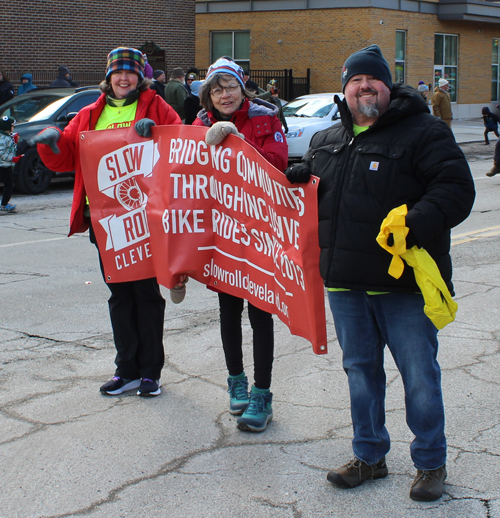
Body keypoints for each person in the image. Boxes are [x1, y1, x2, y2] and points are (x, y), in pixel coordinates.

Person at [285, 44, 475, 501]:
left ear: (387, 86)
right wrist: (294, 175)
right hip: (345, 282)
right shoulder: (326, 140)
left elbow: (455, 189)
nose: (363, 88)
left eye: (372, 80)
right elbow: (310, 184)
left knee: (419, 376)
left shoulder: (424, 132)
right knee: (360, 372)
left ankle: (430, 463)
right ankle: (369, 456)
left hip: (403, 284)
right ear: (345, 89)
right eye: (355, 81)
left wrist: (414, 220)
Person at [31, 47, 182, 397]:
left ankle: (150, 373)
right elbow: (66, 158)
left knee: (145, 294)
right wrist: (50, 145)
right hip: (104, 221)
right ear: (109, 77)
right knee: (119, 295)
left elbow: (179, 142)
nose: (124, 78)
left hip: (144, 219)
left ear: (139, 76)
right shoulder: (88, 114)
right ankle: (125, 369)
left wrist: (157, 132)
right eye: (118, 73)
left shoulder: (155, 106)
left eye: (130, 72)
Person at [192, 57, 288, 432]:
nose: (224, 95)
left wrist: (237, 141)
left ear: (242, 87)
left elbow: (277, 164)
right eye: (216, 89)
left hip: (258, 227)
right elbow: (185, 168)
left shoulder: (265, 116)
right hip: (220, 230)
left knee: (260, 312)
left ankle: (262, 393)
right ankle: (237, 381)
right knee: (228, 309)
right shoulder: (199, 123)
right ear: (208, 95)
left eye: (229, 86)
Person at [0, 116, 22, 212]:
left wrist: (14, 141)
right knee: (9, 185)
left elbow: (9, 149)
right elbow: (1, 154)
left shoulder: (7, 137)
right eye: (13, 126)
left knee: (8, 184)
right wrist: (13, 159)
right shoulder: (4, 138)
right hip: (3, 165)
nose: (14, 127)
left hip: (6, 164)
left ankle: (4, 203)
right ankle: (4, 204)